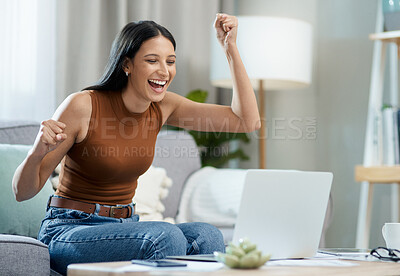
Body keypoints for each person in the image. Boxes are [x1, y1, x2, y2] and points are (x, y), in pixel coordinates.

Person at [12, 13, 260, 274]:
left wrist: (230, 48)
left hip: (125, 227)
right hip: (69, 230)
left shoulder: (163, 107)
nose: (164, 71)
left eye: (170, 61)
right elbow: (22, 192)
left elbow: (246, 121)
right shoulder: (83, 105)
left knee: (206, 235)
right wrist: (37, 151)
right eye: (152, 60)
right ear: (127, 64)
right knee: (165, 236)